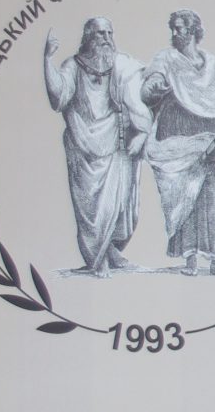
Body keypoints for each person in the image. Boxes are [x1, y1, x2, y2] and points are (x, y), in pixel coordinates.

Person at [142, 9, 215, 277]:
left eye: (180, 28)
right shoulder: (166, 59)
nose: (175, 33)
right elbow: (149, 87)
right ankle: (190, 260)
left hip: (211, 139)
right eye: (173, 28)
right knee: (185, 197)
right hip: (179, 138)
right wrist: (153, 88)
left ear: (193, 31)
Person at [41, 17, 150, 277]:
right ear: (88, 36)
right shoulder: (73, 65)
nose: (106, 38)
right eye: (100, 33)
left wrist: (142, 131)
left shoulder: (121, 65)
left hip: (116, 143)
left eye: (109, 33)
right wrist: (47, 59)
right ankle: (97, 259)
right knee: (92, 209)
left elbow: (140, 94)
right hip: (83, 146)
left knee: (118, 204)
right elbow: (58, 97)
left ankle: (110, 251)